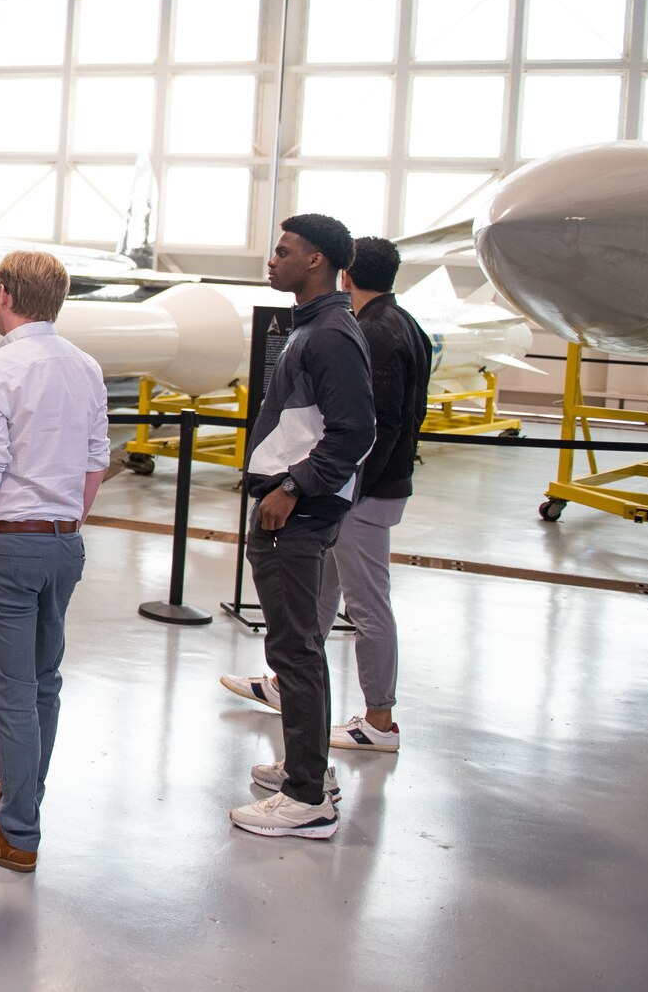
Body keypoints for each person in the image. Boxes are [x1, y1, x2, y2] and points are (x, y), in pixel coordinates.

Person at [219, 237, 431, 757]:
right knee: (322, 594)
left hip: (359, 491)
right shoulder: (404, 324)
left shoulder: (370, 332)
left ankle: (379, 718)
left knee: (366, 604)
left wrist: (336, 490)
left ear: (343, 271)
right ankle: (287, 686)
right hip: (365, 486)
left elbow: (365, 427)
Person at [0, 251, 109, 874]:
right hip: (64, 542)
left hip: (8, 545)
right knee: (43, 682)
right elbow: (98, 459)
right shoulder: (86, 366)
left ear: (4, 294)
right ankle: (23, 792)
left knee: (12, 693)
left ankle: (16, 833)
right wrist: (67, 521)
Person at [225, 213, 373, 841]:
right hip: (293, 504)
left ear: (317, 261)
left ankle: (307, 797)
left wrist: (291, 487)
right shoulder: (313, 326)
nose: (272, 259)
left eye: (283, 251)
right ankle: (307, 768)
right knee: (296, 647)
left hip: (299, 511)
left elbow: (356, 432)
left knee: (294, 650)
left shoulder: (331, 334)